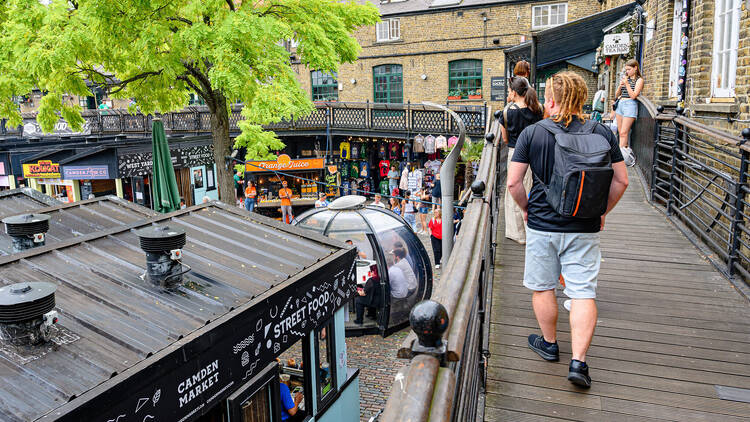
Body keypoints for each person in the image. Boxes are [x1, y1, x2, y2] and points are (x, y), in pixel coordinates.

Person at [507, 71, 628, 388]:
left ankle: (549, 344)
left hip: (543, 225)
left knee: (543, 286)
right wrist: (602, 211)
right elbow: (622, 181)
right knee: (583, 292)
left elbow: (513, 182)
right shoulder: (602, 132)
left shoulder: (533, 134)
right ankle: (578, 363)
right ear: (582, 98)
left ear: (550, 99)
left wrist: (525, 208)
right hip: (584, 226)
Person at [500, 76, 543, 244]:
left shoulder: (508, 112)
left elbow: (505, 139)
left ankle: (519, 234)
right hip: (536, 153)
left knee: (514, 192)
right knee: (532, 189)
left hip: (516, 153)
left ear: (514, 92)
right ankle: (532, 229)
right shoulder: (538, 108)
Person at [614, 59, 644, 167]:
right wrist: (620, 85)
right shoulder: (626, 79)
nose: (627, 72)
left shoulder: (639, 80)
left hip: (630, 105)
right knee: (620, 132)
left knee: (623, 132)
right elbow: (616, 95)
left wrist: (626, 84)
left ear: (635, 68)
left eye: (629, 69)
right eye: (626, 70)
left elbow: (634, 95)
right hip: (621, 104)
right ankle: (624, 156)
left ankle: (619, 159)